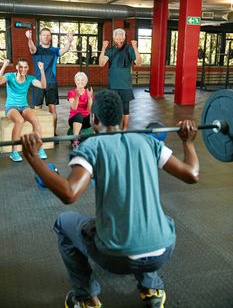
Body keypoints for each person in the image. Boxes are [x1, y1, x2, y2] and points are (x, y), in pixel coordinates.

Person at [20, 89, 199, 308]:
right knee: (161, 221)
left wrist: (33, 157)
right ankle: (151, 288)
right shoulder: (147, 141)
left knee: (64, 223)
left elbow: (69, 193)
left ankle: (85, 297)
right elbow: (192, 174)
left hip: (116, 257)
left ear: (95, 119)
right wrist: (188, 142)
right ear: (122, 117)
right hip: (163, 248)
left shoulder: (92, 146)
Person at [25, 27, 73, 135]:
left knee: (52, 109)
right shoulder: (36, 50)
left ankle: (53, 133)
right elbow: (31, 48)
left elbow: (64, 50)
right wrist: (29, 38)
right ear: (40, 37)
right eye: (44, 35)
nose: (46, 37)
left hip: (51, 82)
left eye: (48, 35)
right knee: (37, 108)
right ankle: (38, 133)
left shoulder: (54, 51)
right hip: (38, 83)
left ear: (50, 37)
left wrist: (69, 42)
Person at [0, 58, 47, 162]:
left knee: (35, 120)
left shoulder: (30, 78)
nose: (23, 69)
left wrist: (42, 70)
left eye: (25, 67)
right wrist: (4, 66)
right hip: (11, 107)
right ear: (17, 67)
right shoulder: (10, 76)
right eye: (21, 67)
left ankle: (39, 148)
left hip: (24, 106)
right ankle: (14, 152)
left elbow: (43, 86)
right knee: (20, 121)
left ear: (28, 68)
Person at [99, 28, 142, 130]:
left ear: (124, 37)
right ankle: (115, 128)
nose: (119, 37)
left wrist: (135, 47)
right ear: (114, 38)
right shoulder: (110, 51)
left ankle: (125, 129)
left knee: (125, 109)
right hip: (113, 85)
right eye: (117, 35)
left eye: (121, 35)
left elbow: (139, 63)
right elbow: (101, 64)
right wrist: (103, 48)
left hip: (125, 85)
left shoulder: (129, 49)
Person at [68, 71, 93, 149]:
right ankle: (75, 140)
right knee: (79, 115)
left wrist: (89, 97)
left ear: (86, 82)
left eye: (82, 80)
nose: (80, 82)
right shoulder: (71, 92)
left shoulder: (88, 92)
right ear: (75, 81)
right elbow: (74, 107)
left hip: (85, 120)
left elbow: (89, 108)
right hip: (74, 119)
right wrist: (77, 97)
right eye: (78, 80)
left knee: (90, 115)